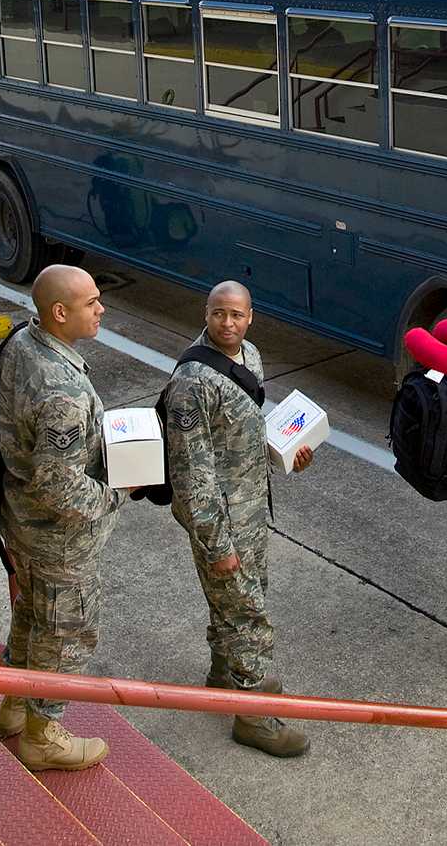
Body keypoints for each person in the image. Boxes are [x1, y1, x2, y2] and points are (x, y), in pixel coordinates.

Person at [162, 281, 313, 758]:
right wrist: (217, 544)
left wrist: (286, 454)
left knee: (236, 602)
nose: (228, 323)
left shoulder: (249, 355)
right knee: (248, 614)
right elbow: (191, 474)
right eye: (219, 314)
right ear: (205, 314)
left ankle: (223, 674)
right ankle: (251, 715)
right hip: (221, 521)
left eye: (237, 315)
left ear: (251, 317)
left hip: (250, 510)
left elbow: (245, 430)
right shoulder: (192, 383)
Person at [0, 264, 123, 771]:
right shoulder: (60, 389)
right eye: (92, 302)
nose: (101, 309)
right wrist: (116, 494)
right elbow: (57, 482)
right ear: (59, 312)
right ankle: (42, 733)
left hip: (20, 521)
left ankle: (14, 705)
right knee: (64, 628)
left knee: (30, 614)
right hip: (57, 537)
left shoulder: (24, 341)